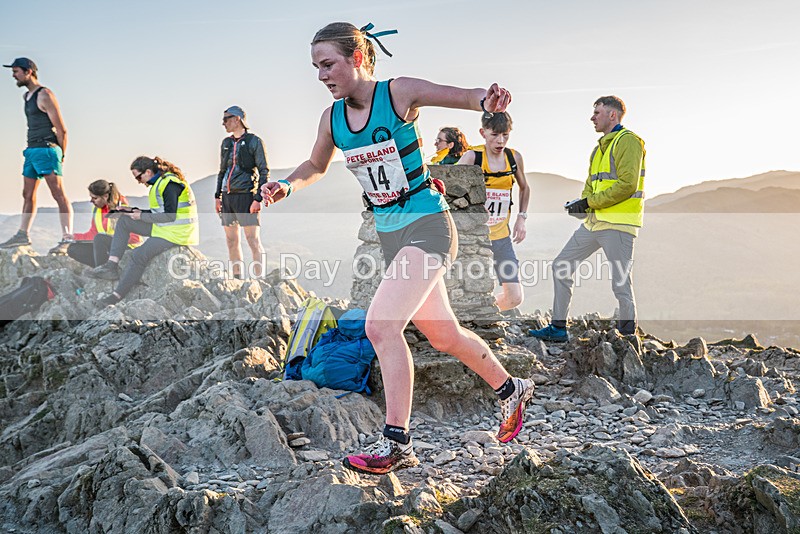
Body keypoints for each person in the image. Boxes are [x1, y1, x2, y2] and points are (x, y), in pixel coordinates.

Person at [261, 22, 534, 475]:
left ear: (358, 58)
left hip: (428, 224)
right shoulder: (331, 120)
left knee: (381, 327)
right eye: (315, 68)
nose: (321, 75)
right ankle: (511, 389)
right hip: (392, 236)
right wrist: (285, 187)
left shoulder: (398, 93)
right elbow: (314, 164)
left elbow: (463, 97)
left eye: (328, 64)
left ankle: (396, 443)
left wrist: (485, 101)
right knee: (444, 336)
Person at [529, 96, 645, 342]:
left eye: (597, 112)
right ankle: (559, 328)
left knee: (621, 283)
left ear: (612, 115)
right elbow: (591, 185)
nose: (592, 117)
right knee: (561, 265)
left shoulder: (629, 142)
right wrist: (581, 204)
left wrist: (591, 203)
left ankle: (628, 337)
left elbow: (627, 185)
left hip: (619, 225)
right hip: (594, 223)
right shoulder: (599, 148)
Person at [87, 156, 199, 306]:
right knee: (125, 221)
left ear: (148, 172)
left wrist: (141, 216)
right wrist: (132, 211)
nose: (139, 181)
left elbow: (170, 216)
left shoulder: (170, 184)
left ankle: (115, 297)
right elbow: (158, 211)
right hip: (165, 228)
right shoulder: (160, 183)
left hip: (177, 233)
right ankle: (111, 266)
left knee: (138, 255)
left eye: (139, 177)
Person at [458, 112, 530, 311]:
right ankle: (468, 322)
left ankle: (484, 313)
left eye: (505, 135)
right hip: (473, 239)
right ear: (483, 132)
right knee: (465, 290)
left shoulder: (513, 157)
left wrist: (521, 219)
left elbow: (525, 188)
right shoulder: (472, 157)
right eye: (494, 135)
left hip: (501, 237)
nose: (500, 141)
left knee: (515, 298)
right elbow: (450, 189)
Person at [1, 58, 73, 253]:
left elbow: (61, 130)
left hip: (47, 149)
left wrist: (60, 155)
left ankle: (67, 237)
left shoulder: (45, 95)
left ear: (29, 72)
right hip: (31, 150)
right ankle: (22, 235)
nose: (13, 75)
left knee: (58, 194)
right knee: (27, 194)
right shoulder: (26, 97)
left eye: (16, 71)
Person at [215, 106, 269, 278]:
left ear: (237, 119)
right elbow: (222, 170)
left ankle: (260, 280)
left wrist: (258, 198)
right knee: (231, 241)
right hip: (227, 197)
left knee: (252, 240)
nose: (223, 123)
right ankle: (237, 278)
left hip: (246, 196)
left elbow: (264, 170)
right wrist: (218, 196)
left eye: (226, 119)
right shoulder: (226, 143)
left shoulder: (254, 141)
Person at [66, 180, 141, 268]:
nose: (91, 201)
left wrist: (110, 240)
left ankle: (102, 271)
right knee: (73, 249)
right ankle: (102, 267)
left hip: (126, 248)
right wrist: (74, 237)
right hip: (108, 246)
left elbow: (134, 238)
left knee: (100, 239)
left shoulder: (122, 208)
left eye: (95, 198)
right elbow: (93, 233)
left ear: (105, 196)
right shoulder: (97, 210)